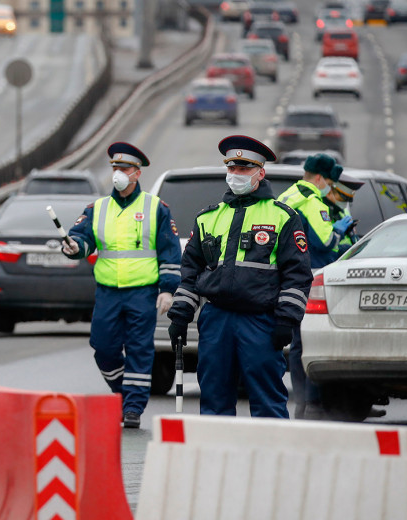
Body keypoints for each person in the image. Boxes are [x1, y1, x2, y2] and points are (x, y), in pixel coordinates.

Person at [167, 135, 313, 418]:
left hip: (261, 322)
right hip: (216, 320)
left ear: (261, 172)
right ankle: (215, 461)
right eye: (232, 169)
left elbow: (297, 275)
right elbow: (191, 274)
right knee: (213, 400)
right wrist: (179, 316)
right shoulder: (207, 217)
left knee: (267, 402)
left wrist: (286, 321)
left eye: (244, 169)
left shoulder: (283, 217)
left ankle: (269, 461)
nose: (236, 175)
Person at [61, 142, 182, 429]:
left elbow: (169, 251)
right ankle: (122, 392)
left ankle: (133, 408)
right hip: (108, 292)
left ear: (137, 173)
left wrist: (167, 289)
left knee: (140, 349)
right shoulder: (98, 208)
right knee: (102, 347)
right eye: (115, 168)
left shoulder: (156, 208)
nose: (118, 173)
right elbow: (82, 240)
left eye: (124, 169)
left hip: (143, 292)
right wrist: (73, 247)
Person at [277, 154, 354, 419]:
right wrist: (340, 229)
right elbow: (325, 240)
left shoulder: (287, 195)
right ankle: (312, 402)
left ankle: (301, 401)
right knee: (309, 342)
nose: (330, 188)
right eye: (330, 183)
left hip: (284, 277)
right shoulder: (312, 201)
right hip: (310, 277)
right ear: (320, 178)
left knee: (296, 343)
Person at [323, 168, 364, 253]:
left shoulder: (342, 211)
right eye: (343, 198)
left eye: (348, 200)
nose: (345, 204)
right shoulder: (320, 210)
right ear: (330, 191)